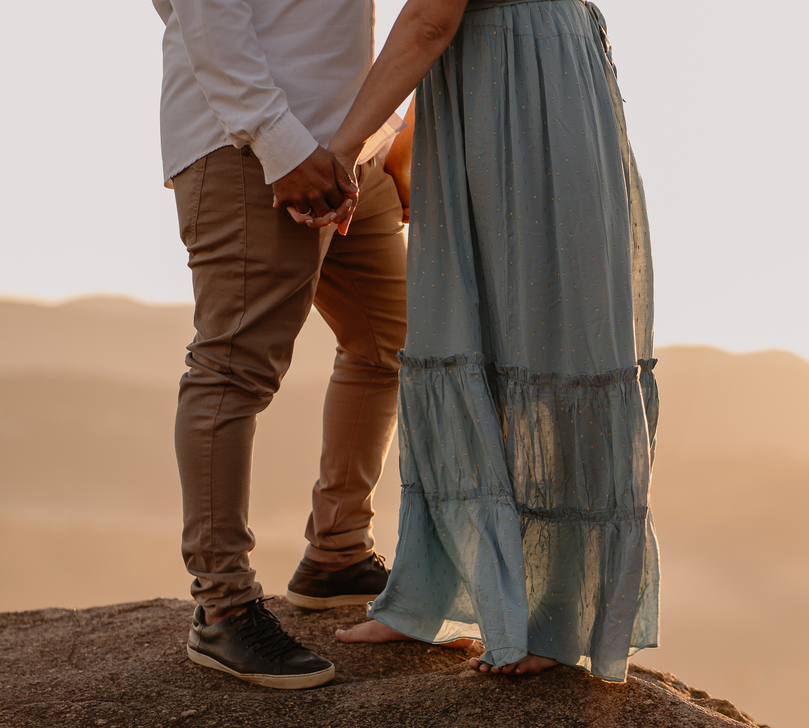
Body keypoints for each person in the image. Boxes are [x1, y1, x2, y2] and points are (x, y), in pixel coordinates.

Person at [319, 0, 660, 682]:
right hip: (506, 91)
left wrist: (342, 150)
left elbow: (429, 22)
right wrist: (410, 144)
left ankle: (553, 622)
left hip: (525, 100)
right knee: (481, 334)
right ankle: (425, 594)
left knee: (545, 341)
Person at [154, 0, 415, 689]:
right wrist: (276, 139)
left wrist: (390, 133)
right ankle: (224, 608)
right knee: (233, 370)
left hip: (350, 145)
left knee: (388, 342)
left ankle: (337, 552)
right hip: (255, 148)